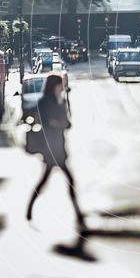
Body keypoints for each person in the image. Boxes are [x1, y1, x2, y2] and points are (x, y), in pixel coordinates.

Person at [26, 73, 86, 231]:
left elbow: (65, 121)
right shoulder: (45, 102)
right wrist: (60, 122)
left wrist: (64, 111)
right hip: (51, 147)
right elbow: (49, 122)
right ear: (54, 86)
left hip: (58, 146)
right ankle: (78, 213)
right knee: (63, 180)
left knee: (47, 181)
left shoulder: (61, 101)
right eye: (60, 85)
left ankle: (30, 210)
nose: (62, 87)